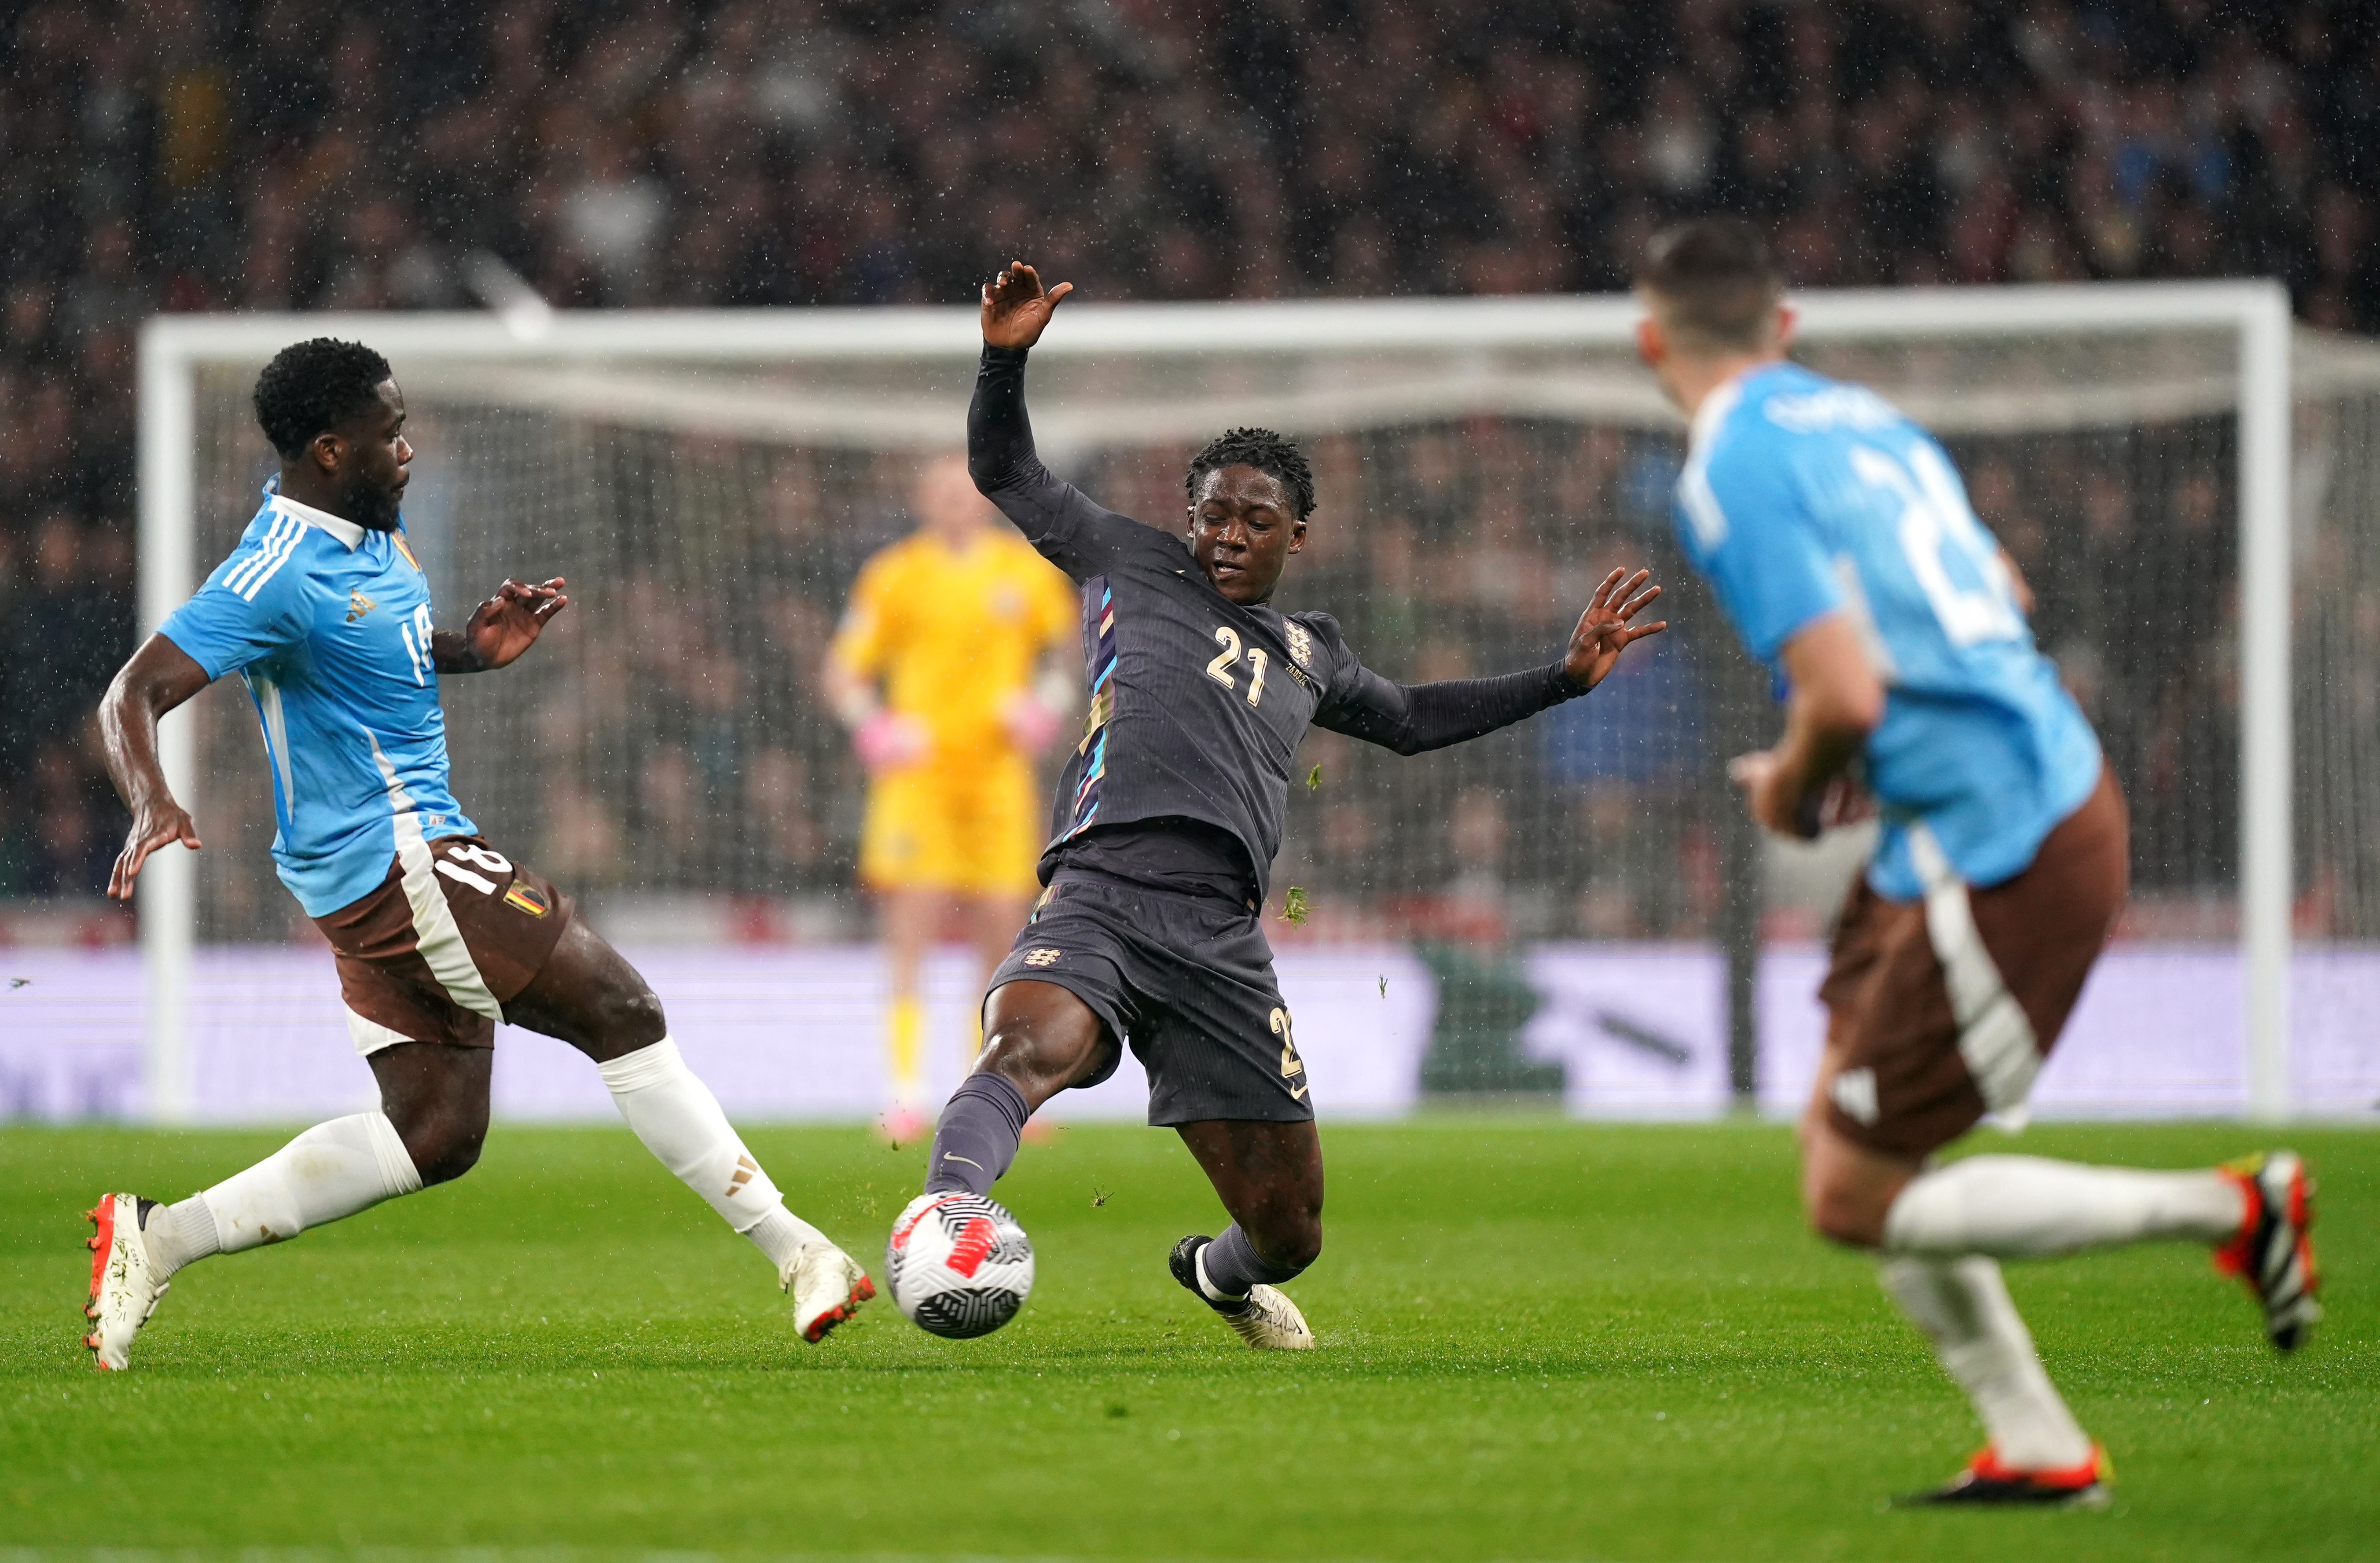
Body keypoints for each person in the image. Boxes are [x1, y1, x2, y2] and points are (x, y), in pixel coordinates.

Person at [1638, 218, 2320, 1506]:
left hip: (2009, 841)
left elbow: (1842, 690)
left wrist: (1793, 786)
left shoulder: (1726, 465)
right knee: (1854, 1151)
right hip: (1964, 817)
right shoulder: (1866, 423)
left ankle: (2234, 1209)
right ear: (1784, 329)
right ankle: (2041, 1448)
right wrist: (1873, 760)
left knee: (1851, 1196)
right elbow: (1994, 589)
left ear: (1645, 340)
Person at [905, 262, 1667, 1349]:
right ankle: (948, 1213)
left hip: (1219, 938)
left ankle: (1214, 1275)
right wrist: (1003, 355)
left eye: (1253, 520)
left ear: (1294, 537)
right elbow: (1004, 468)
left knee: (1289, 1230)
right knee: (1021, 1051)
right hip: (1100, 894)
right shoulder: (1126, 557)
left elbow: (1411, 717)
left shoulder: (1310, 653)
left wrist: (1559, 677)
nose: (1225, 533)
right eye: (1211, 512)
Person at [85, 338, 873, 1371]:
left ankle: (158, 1236)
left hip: (384, 864)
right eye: (390, 433)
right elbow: (131, 692)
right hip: (393, 857)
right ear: (329, 449)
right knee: (622, 1009)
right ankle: (800, 1252)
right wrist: (151, 799)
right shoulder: (274, 568)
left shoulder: (374, 533)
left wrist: (469, 648)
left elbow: (368, 660)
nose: (410, 448)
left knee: (435, 1134)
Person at [824, 454, 1078, 1143]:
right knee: (912, 926)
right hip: (920, 778)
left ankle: (995, 1092)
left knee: (1005, 936)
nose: (955, 505)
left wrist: (1045, 706)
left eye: (965, 494)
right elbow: (844, 670)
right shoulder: (895, 575)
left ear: (986, 500)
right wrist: (873, 725)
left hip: (997, 775)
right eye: (940, 494)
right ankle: (904, 1094)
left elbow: (1068, 653)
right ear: (922, 501)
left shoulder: (1023, 572)